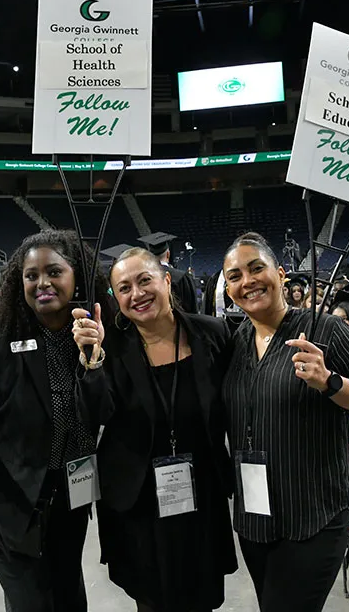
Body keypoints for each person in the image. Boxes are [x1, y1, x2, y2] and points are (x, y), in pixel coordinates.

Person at [221, 233, 349, 612]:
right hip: (255, 517)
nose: (246, 281)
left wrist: (330, 382)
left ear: (281, 274)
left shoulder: (324, 330)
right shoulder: (236, 341)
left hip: (313, 514)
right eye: (234, 276)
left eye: (256, 269)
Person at [0, 230, 110, 612]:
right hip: (6, 501)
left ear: (77, 277)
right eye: (31, 275)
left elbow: (102, 415)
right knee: (31, 603)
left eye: (54, 272)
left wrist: (93, 361)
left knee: (68, 595)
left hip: (71, 494)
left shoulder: (94, 335)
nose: (42, 283)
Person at [71, 247, 237, 612]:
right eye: (124, 288)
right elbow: (93, 414)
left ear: (166, 280)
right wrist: (92, 361)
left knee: (201, 596)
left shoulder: (213, 334)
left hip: (201, 494)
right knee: (151, 600)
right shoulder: (109, 346)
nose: (137, 294)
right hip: (138, 501)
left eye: (144, 280)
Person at [139, 232, 199, 315]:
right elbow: (192, 311)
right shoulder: (181, 277)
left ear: (149, 256)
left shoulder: (141, 279)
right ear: (168, 254)